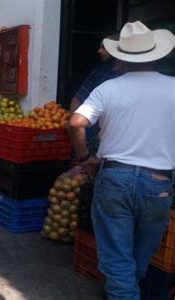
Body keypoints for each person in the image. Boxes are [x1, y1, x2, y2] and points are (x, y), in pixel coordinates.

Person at [69, 21, 175, 299]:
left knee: (118, 260)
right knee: (139, 256)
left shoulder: (108, 89)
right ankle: (122, 291)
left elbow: (76, 122)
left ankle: (121, 292)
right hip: (159, 183)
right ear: (157, 55)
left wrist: (85, 158)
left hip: (115, 179)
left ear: (120, 58)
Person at [69, 34, 120, 154]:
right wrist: (73, 124)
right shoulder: (99, 72)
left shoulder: (125, 77)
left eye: (104, 47)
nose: (99, 51)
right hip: (89, 134)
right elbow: (78, 98)